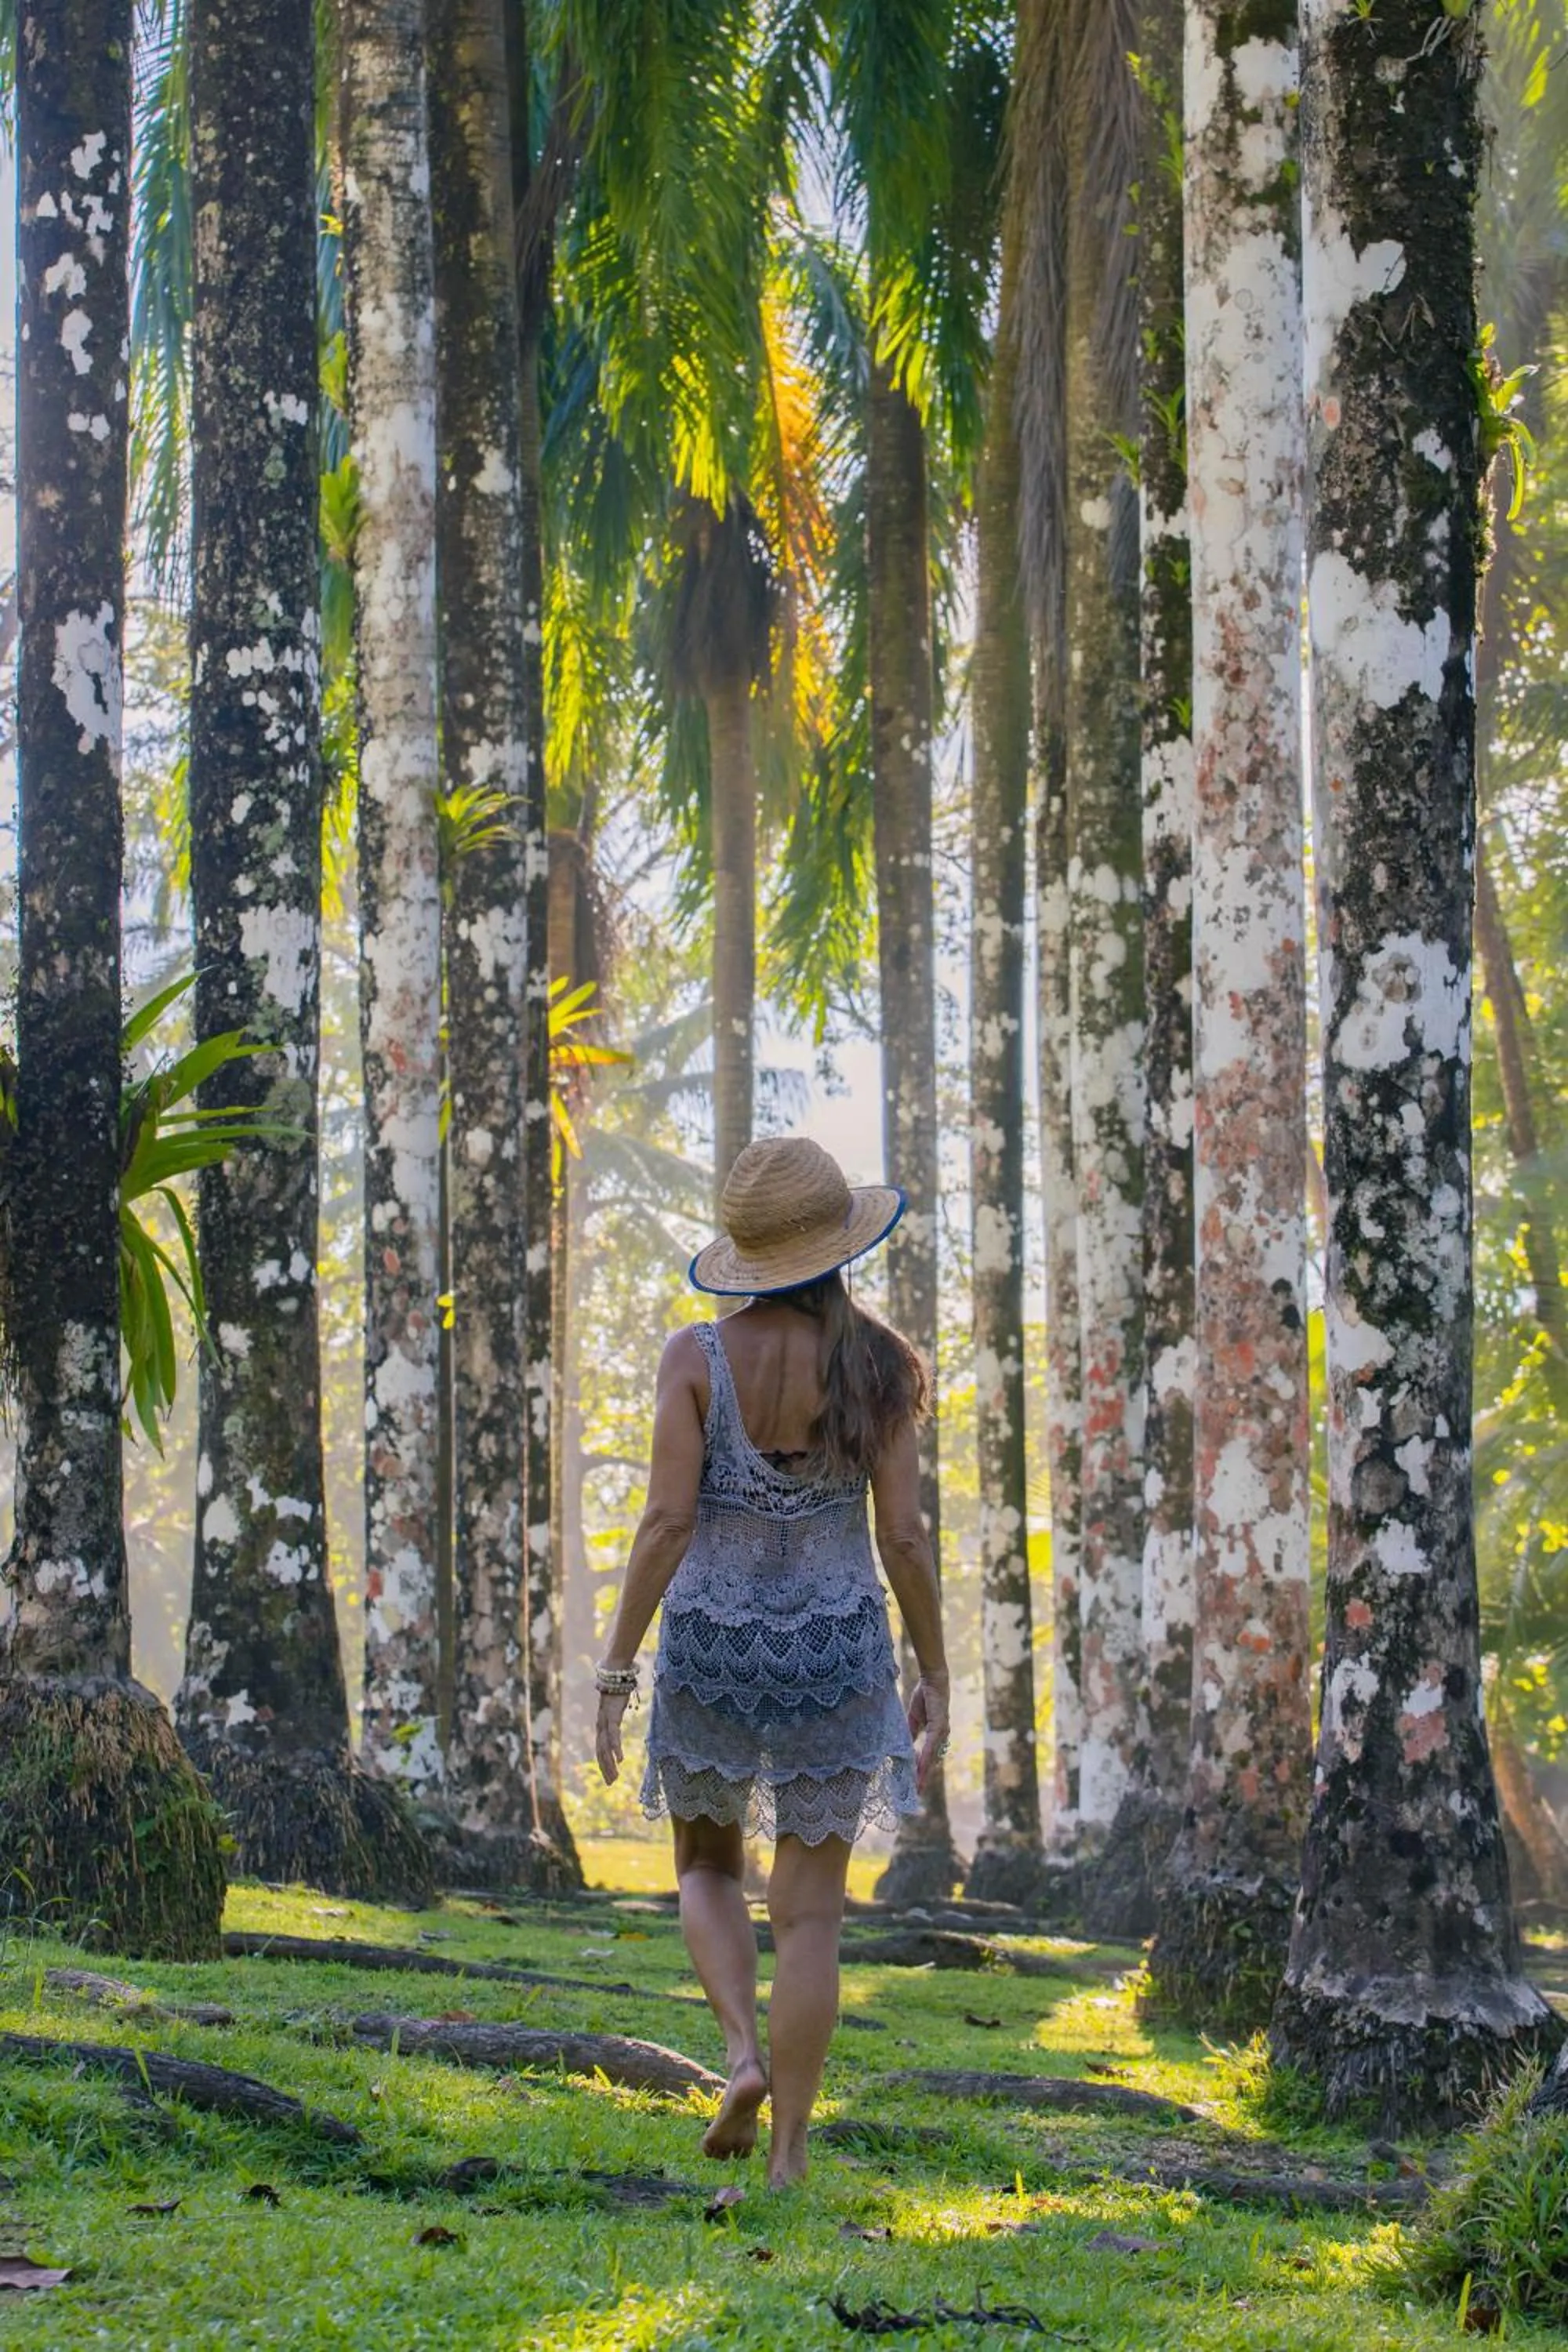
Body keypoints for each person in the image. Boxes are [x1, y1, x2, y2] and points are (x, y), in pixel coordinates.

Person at [593, 1135, 950, 2189]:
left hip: (712, 1643)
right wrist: (932, 1667)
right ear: (840, 1243)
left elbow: (664, 1522)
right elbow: (907, 1539)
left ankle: (740, 2057)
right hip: (838, 1654)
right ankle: (791, 2152)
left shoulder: (694, 1359)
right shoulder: (882, 1368)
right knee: (811, 1915)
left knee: (706, 1867)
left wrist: (616, 1669)